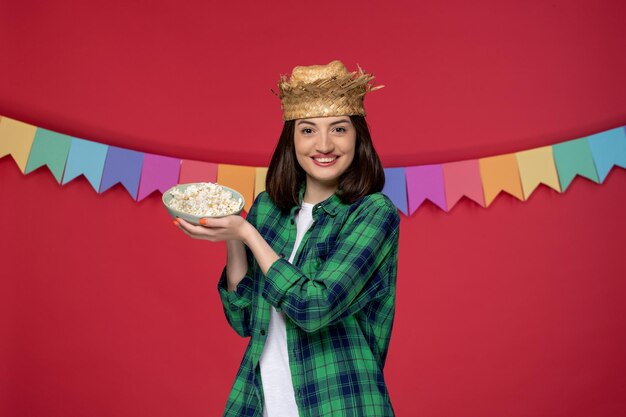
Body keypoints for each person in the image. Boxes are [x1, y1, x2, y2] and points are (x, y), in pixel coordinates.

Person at [174, 60, 401, 417]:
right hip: (261, 403)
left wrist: (248, 233)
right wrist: (234, 235)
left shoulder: (373, 213)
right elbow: (243, 320)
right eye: (308, 131)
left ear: (358, 137)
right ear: (291, 140)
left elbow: (315, 308)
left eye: (339, 129)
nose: (323, 145)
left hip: (341, 403)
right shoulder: (268, 209)